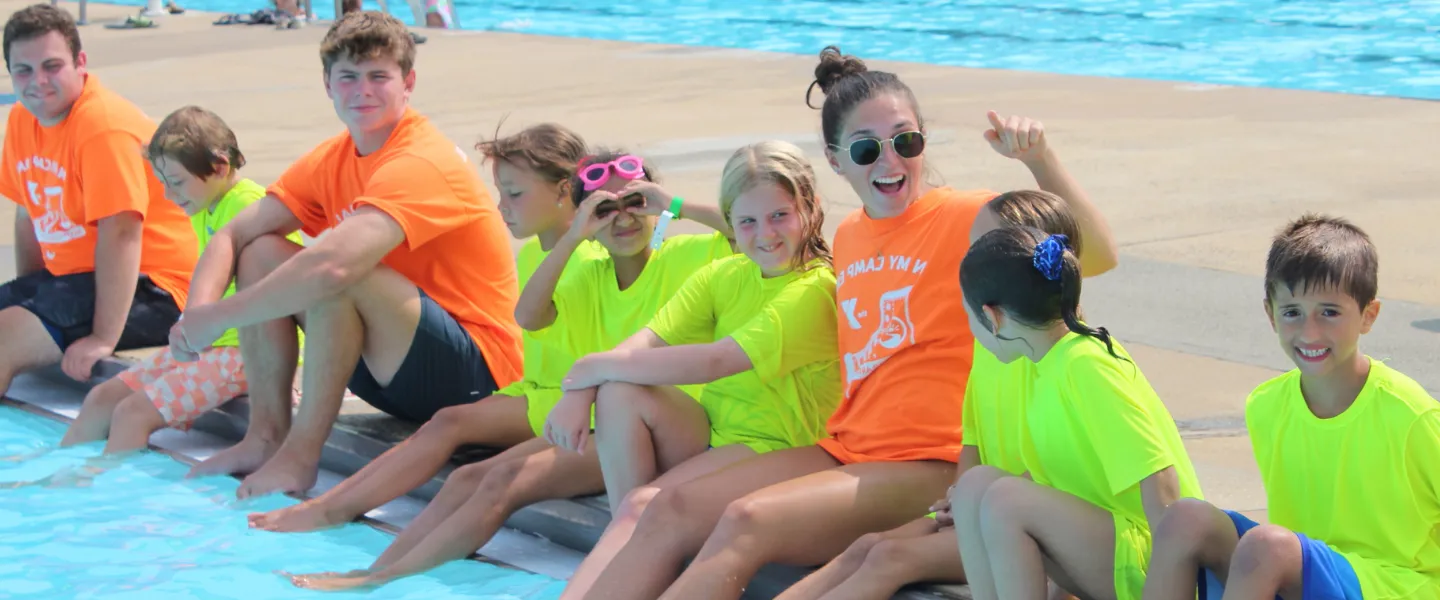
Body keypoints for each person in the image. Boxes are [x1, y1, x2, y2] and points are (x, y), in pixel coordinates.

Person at [559, 45, 1117, 600]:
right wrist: (678, 208)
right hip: (849, 447)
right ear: (834, 159)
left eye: (906, 141)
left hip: (933, 459)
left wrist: (1039, 160)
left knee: (746, 520)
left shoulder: (966, 218)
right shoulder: (848, 238)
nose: (889, 161)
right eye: (867, 148)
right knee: (670, 507)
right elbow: (753, 225)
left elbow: (1091, 256)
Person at [279, 146, 734, 591]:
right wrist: (575, 235)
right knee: (470, 476)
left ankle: (379, 579)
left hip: (664, 427)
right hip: (605, 423)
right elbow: (530, 316)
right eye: (606, 209)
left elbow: (743, 230)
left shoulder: (687, 256)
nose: (624, 218)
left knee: (505, 481)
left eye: (635, 203)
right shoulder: (589, 273)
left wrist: (673, 205)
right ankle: (378, 568)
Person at [169, 11, 522, 500]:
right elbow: (233, 233)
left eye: (380, 76)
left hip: (477, 376)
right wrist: (196, 317)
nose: (364, 90)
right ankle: (266, 436)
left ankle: (300, 457)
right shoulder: (333, 157)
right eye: (349, 77)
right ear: (328, 85)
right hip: (390, 369)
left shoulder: (423, 159)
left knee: (339, 272)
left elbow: (333, 267)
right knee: (261, 251)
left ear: (409, 82)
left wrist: (219, 317)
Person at [246, 123, 603, 533]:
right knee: (446, 423)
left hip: (572, 400)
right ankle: (331, 505)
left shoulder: (592, 259)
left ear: (564, 190)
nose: (502, 206)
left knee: (452, 428)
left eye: (515, 194)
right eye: (501, 192)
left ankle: (330, 510)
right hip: (534, 391)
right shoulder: (533, 255)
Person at [778, 189, 1113, 600]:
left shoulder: (1061, 361)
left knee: (887, 556)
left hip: (1030, 527)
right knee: (864, 547)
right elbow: (972, 441)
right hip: (981, 510)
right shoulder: (992, 349)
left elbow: (1072, 476)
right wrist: (959, 497)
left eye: (976, 250)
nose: (963, 261)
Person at [1141, 214, 1440, 600]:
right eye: (1292, 312)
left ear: (1368, 315)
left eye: (1329, 312)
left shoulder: (1413, 415)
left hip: (1397, 584)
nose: (1309, 332)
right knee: (1184, 518)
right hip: (1299, 570)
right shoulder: (1265, 405)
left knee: (1266, 546)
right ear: (1270, 314)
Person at [950, 226, 1202, 600]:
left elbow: (1160, 478)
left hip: (1161, 562)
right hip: (1114, 552)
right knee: (975, 486)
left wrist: (1173, 583)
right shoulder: (1042, 366)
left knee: (1006, 499)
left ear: (992, 317)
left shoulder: (1085, 364)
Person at [59, 106, 303, 455]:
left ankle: (101, 492)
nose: (170, 197)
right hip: (210, 346)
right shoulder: (207, 204)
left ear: (219, 166)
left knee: (132, 414)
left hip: (243, 354)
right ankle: (59, 476)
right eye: (162, 184)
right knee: (103, 396)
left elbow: (289, 290)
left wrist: (290, 370)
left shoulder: (249, 205)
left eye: (176, 183)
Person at [0, 4, 197, 399]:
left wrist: (103, 337)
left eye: (52, 66)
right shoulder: (23, 119)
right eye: (23, 70)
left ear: (81, 63)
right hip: (85, 279)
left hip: (159, 288)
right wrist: (34, 292)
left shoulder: (101, 127)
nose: (38, 81)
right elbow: (28, 216)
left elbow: (123, 233)